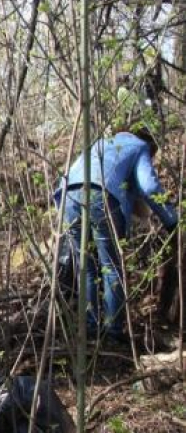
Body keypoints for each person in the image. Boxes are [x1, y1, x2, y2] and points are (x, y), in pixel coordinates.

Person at [54, 126, 178, 344]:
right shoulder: (140, 147)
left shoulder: (100, 144)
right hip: (99, 195)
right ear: (150, 146)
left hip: (67, 198)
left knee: (86, 266)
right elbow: (149, 187)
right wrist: (172, 220)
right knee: (112, 266)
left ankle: (90, 329)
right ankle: (113, 332)